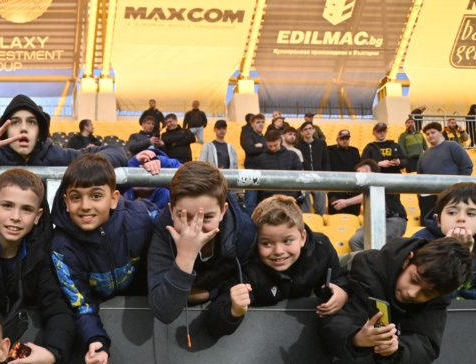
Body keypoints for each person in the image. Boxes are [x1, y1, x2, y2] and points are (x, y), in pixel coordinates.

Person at [51, 154, 155, 364]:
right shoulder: (62, 247)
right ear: (66, 202)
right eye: (76, 197)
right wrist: (95, 340)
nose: (85, 206)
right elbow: (82, 304)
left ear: (114, 198)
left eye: (96, 196)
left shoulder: (142, 218)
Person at [319, 237, 473, 364]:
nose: (412, 293)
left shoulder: (438, 296)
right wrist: (356, 338)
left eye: (427, 293)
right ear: (407, 260)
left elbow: (426, 344)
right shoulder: (367, 267)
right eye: (413, 280)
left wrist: (395, 350)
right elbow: (337, 320)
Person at [205, 196, 348, 337]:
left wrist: (343, 292)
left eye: (287, 241)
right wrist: (233, 310)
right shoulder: (247, 265)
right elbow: (214, 322)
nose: (278, 251)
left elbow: (338, 279)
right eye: (267, 243)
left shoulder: (321, 248)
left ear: (303, 237)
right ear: (255, 241)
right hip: (258, 337)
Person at [0, 169, 74, 364]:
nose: (15, 217)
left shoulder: (40, 256)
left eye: (26, 209)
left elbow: (58, 309)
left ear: (38, 216)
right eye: (7, 206)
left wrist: (52, 352)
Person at [147, 161, 256, 326]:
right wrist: (186, 256)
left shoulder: (244, 234)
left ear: (223, 211)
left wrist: (210, 293)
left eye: (207, 217)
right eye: (184, 216)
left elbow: (236, 289)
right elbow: (163, 310)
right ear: (171, 211)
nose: (194, 228)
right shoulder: (163, 231)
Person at [0, 94, 127, 172]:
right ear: (5, 131)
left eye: (31, 122)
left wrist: (86, 167)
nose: (24, 128)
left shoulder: (55, 154)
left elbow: (116, 152)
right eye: (15, 122)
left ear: (40, 132)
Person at [412, 182, 476, 299]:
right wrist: (449, 250)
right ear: (438, 220)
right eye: (452, 212)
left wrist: (463, 301)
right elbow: (427, 288)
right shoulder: (420, 242)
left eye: (471, 214)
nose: (461, 218)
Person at [336, 160, 408, 251]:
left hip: (393, 219)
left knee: (382, 246)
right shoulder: (368, 186)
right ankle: (366, 259)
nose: (357, 175)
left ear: (366, 169)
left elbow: (369, 193)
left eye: (359, 172)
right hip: (377, 221)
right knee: (355, 241)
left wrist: (347, 202)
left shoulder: (379, 179)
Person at [416, 121, 474, 219]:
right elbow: (419, 177)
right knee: (431, 224)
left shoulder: (452, 146)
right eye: (427, 134)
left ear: (440, 132)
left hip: (452, 195)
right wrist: (420, 196)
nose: (430, 136)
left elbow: (466, 166)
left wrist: (459, 188)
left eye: (433, 132)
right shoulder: (423, 155)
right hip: (430, 199)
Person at [253, 129, 303, 203]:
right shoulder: (261, 159)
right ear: (266, 143)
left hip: (290, 197)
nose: (273, 148)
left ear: (280, 140)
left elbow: (298, 175)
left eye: (275, 145)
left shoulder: (292, 155)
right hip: (269, 198)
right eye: (270, 146)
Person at [297, 121, 330, 214]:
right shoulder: (298, 145)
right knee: (304, 209)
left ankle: (321, 221)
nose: (308, 131)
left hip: (319, 179)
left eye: (310, 128)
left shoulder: (321, 143)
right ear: (301, 132)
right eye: (305, 129)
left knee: (321, 208)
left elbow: (326, 162)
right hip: (305, 180)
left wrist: (327, 181)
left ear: (314, 130)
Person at [327, 129, 362, 216]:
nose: (345, 140)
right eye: (342, 138)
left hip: (353, 188)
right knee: (335, 216)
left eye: (347, 138)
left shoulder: (354, 151)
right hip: (335, 188)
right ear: (337, 139)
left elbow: (359, 168)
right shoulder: (329, 151)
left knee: (353, 216)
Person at [240, 114, 267, 212]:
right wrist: (264, 148)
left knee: (263, 203)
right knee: (250, 202)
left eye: (262, 122)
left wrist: (260, 146)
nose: (261, 124)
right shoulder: (247, 136)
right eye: (258, 122)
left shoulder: (265, 138)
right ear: (252, 124)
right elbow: (250, 149)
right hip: (251, 171)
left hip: (263, 171)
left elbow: (269, 150)